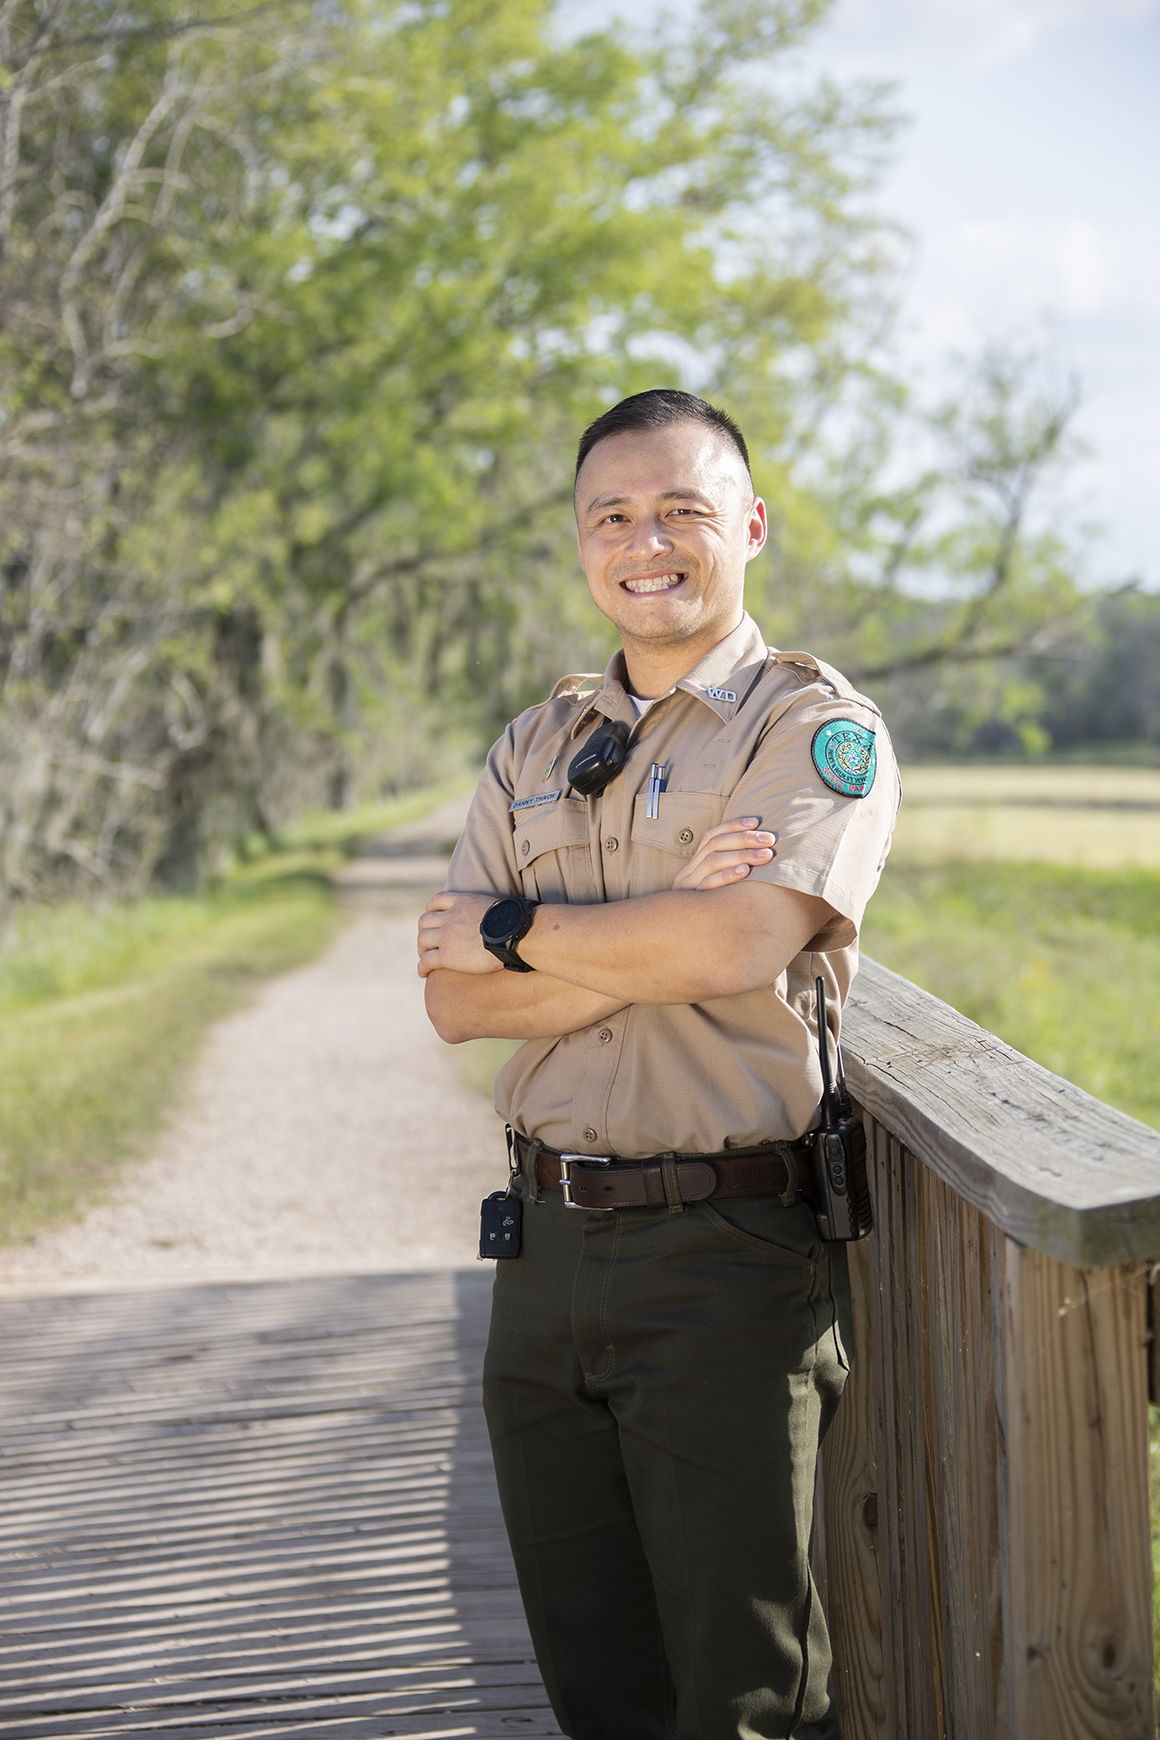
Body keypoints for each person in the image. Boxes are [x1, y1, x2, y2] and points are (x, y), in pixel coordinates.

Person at [416, 388, 900, 1740]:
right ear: (582, 544)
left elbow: (735, 943)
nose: (648, 542)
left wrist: (517, 930)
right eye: (612, 517)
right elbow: (454, 1009)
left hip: (729, 1250)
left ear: (748, 526)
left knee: (742, 1690)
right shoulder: (536, 744)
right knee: (596, 1673)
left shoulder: (808, 731)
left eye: (683, 510)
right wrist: (651, 931)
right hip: (543, 1253)